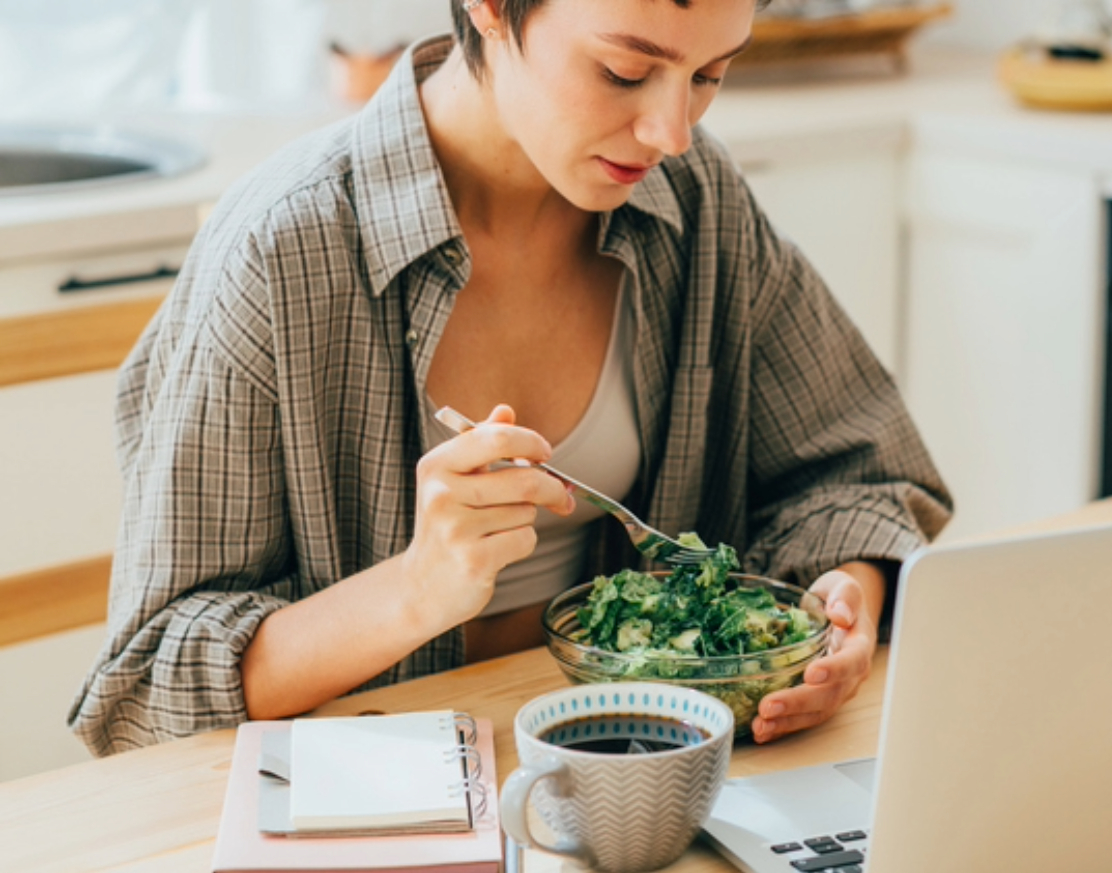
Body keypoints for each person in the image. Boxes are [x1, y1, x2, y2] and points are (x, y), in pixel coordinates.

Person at [69, 0, 951, 756]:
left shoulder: (695, 201)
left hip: (649, 786)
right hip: (375, 836)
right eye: (621, 71)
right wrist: (412, 591)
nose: (672, 132)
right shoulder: (283, 250)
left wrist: (842, 603)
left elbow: (853, 473)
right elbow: (146, 688)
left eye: (711, 75)